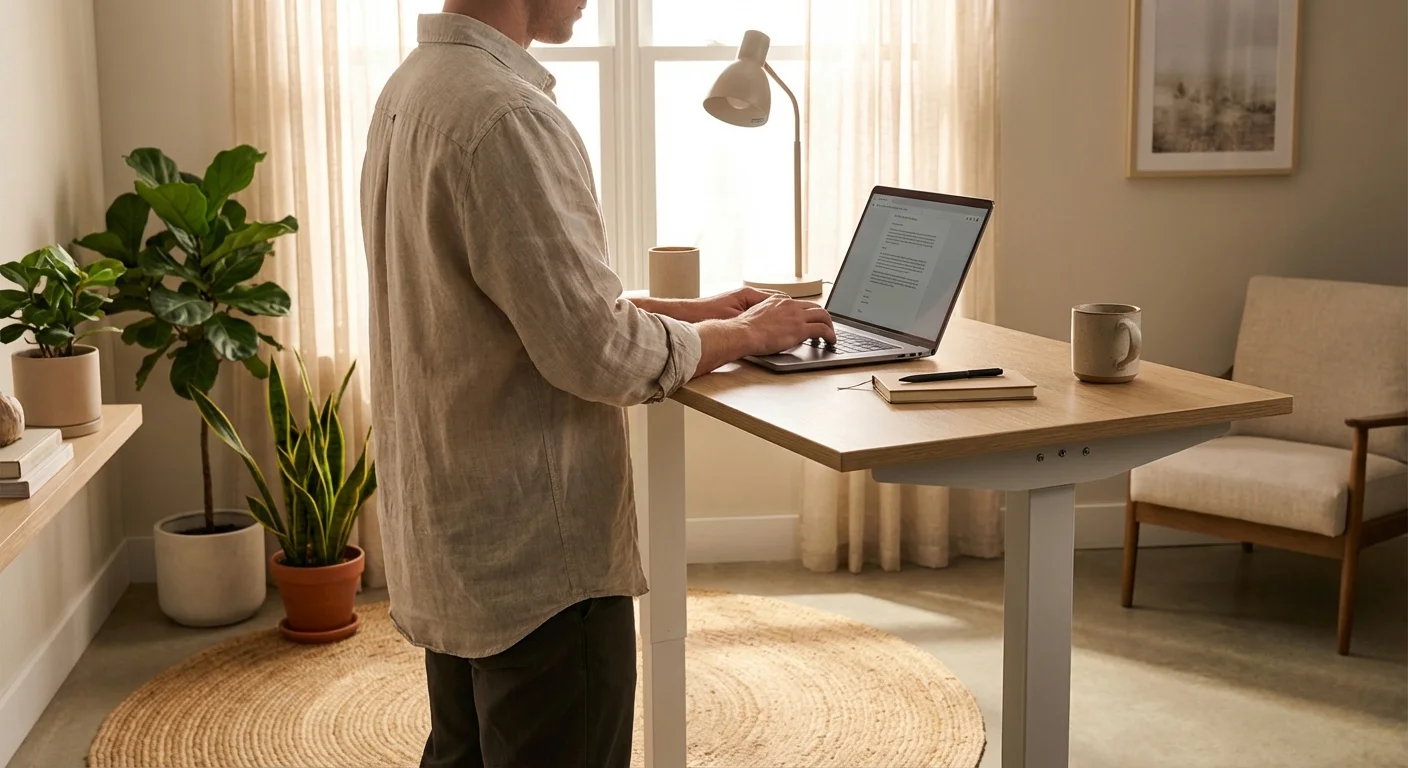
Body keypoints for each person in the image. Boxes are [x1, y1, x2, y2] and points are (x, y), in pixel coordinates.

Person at [359, 1, 836, 765]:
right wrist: (748, 335)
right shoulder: (506, 116)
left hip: (458, 531)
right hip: (538, 559)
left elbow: (514, 301)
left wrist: (698, 312)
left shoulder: (416, 89)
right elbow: (600, 354)